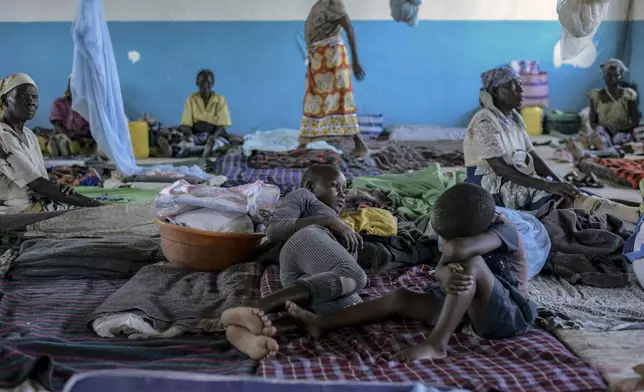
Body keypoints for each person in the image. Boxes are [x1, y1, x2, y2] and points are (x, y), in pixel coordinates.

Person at [285, 183, 536, 361]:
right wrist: (445, 275)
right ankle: (321, 323)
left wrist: (451, 252)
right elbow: (440, 269)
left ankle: (437, 345)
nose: (448, 241)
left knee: (471, 265)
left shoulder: (504, 230)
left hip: (505, 314)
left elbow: (459, 250)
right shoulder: (461, 235)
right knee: (402, 296)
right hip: (464, 305)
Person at [221, 164, 367, 359]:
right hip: (302, 245)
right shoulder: (304, 196)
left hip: (310, 280)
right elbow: (274, 230)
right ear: (310, 185)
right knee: (355, 275)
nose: (342, 194)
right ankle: (256, 304)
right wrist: (329, 222)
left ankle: (246, 333)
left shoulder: (337, 219)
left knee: (350, 305)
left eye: (344, 189)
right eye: (335, 186)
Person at [464, 66, 641, 223]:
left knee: (573, 193)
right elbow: (501, 169)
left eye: (519, 84)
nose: (520, 89)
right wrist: (549, 186)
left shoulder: (514, 119)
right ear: (495, 92)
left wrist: (560, 181)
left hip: (514, 176)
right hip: (491, 186)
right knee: (556, 197)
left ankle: (632, 210)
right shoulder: (485, 122)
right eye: (512, 85)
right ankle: (633, 215)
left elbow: (533, 156)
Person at [0, 73, 103, 213]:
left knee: (81, 207)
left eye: (35, 97)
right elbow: (38, 184)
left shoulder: (29, 135)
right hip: (13, 210)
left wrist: (56, 187)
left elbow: (40, 180)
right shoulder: (3, 135)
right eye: (23, 96)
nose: (31, 101)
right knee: (89, 212)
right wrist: (93, 204)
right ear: (5, 101)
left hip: (35, 202)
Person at [299, 0, 368, 158]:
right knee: (314, 98)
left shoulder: (333, 3)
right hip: (319, 58)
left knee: (340, 100)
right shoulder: (320, 5)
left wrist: (356, 61)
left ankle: (360, 144)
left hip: (331, 57)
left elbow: (349, 28)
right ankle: (303, 143)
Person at [179, 69, 236, 158]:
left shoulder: (220, 100)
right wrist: (190, 136)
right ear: (197, 83)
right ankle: (203, 150)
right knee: (185, 143)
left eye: (208, 82)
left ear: (212, 84)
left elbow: (221, 126)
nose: (205, 85)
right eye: (202, 82)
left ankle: (205, 149)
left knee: (217, 144)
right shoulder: (191, 99)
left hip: (215, 135)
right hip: (197, 134)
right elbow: (187, 124)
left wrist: (212, 137)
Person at [588, 59, 641, 148]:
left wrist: (619, 129)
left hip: (622, 132)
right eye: (609, 75)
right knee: (596, 139)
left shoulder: (628, 95)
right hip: (603, 132)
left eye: (616, 75)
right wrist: (604, 128)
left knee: (619, 141)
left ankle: (610, 150)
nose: (613, 79)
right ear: (604, 76)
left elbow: (635, 121)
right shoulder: (596, 95)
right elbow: (592, 122)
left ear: (621, 77)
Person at [49, 74, 95, 157]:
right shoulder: (59, 103)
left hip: (83, 138)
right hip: (64, 134)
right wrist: (71, 135)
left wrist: (78, 135)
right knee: (61, 142)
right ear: (68, 86)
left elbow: (91, 128)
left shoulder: (89, 105)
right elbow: (57, 125)